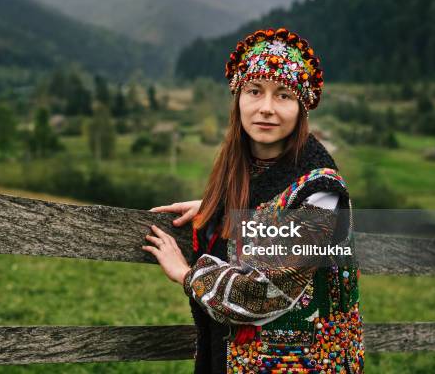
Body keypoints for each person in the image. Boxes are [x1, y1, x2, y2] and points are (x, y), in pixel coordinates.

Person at [142, 27, 364, 374]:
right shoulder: (245, 172)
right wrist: (217, 209)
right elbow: (270, 208)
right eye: (255, 91)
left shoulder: (321, 194)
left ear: (302, 106)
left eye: (284, 96)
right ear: (238, 97)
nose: (266, 108)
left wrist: (187, 274)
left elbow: (266, 293)